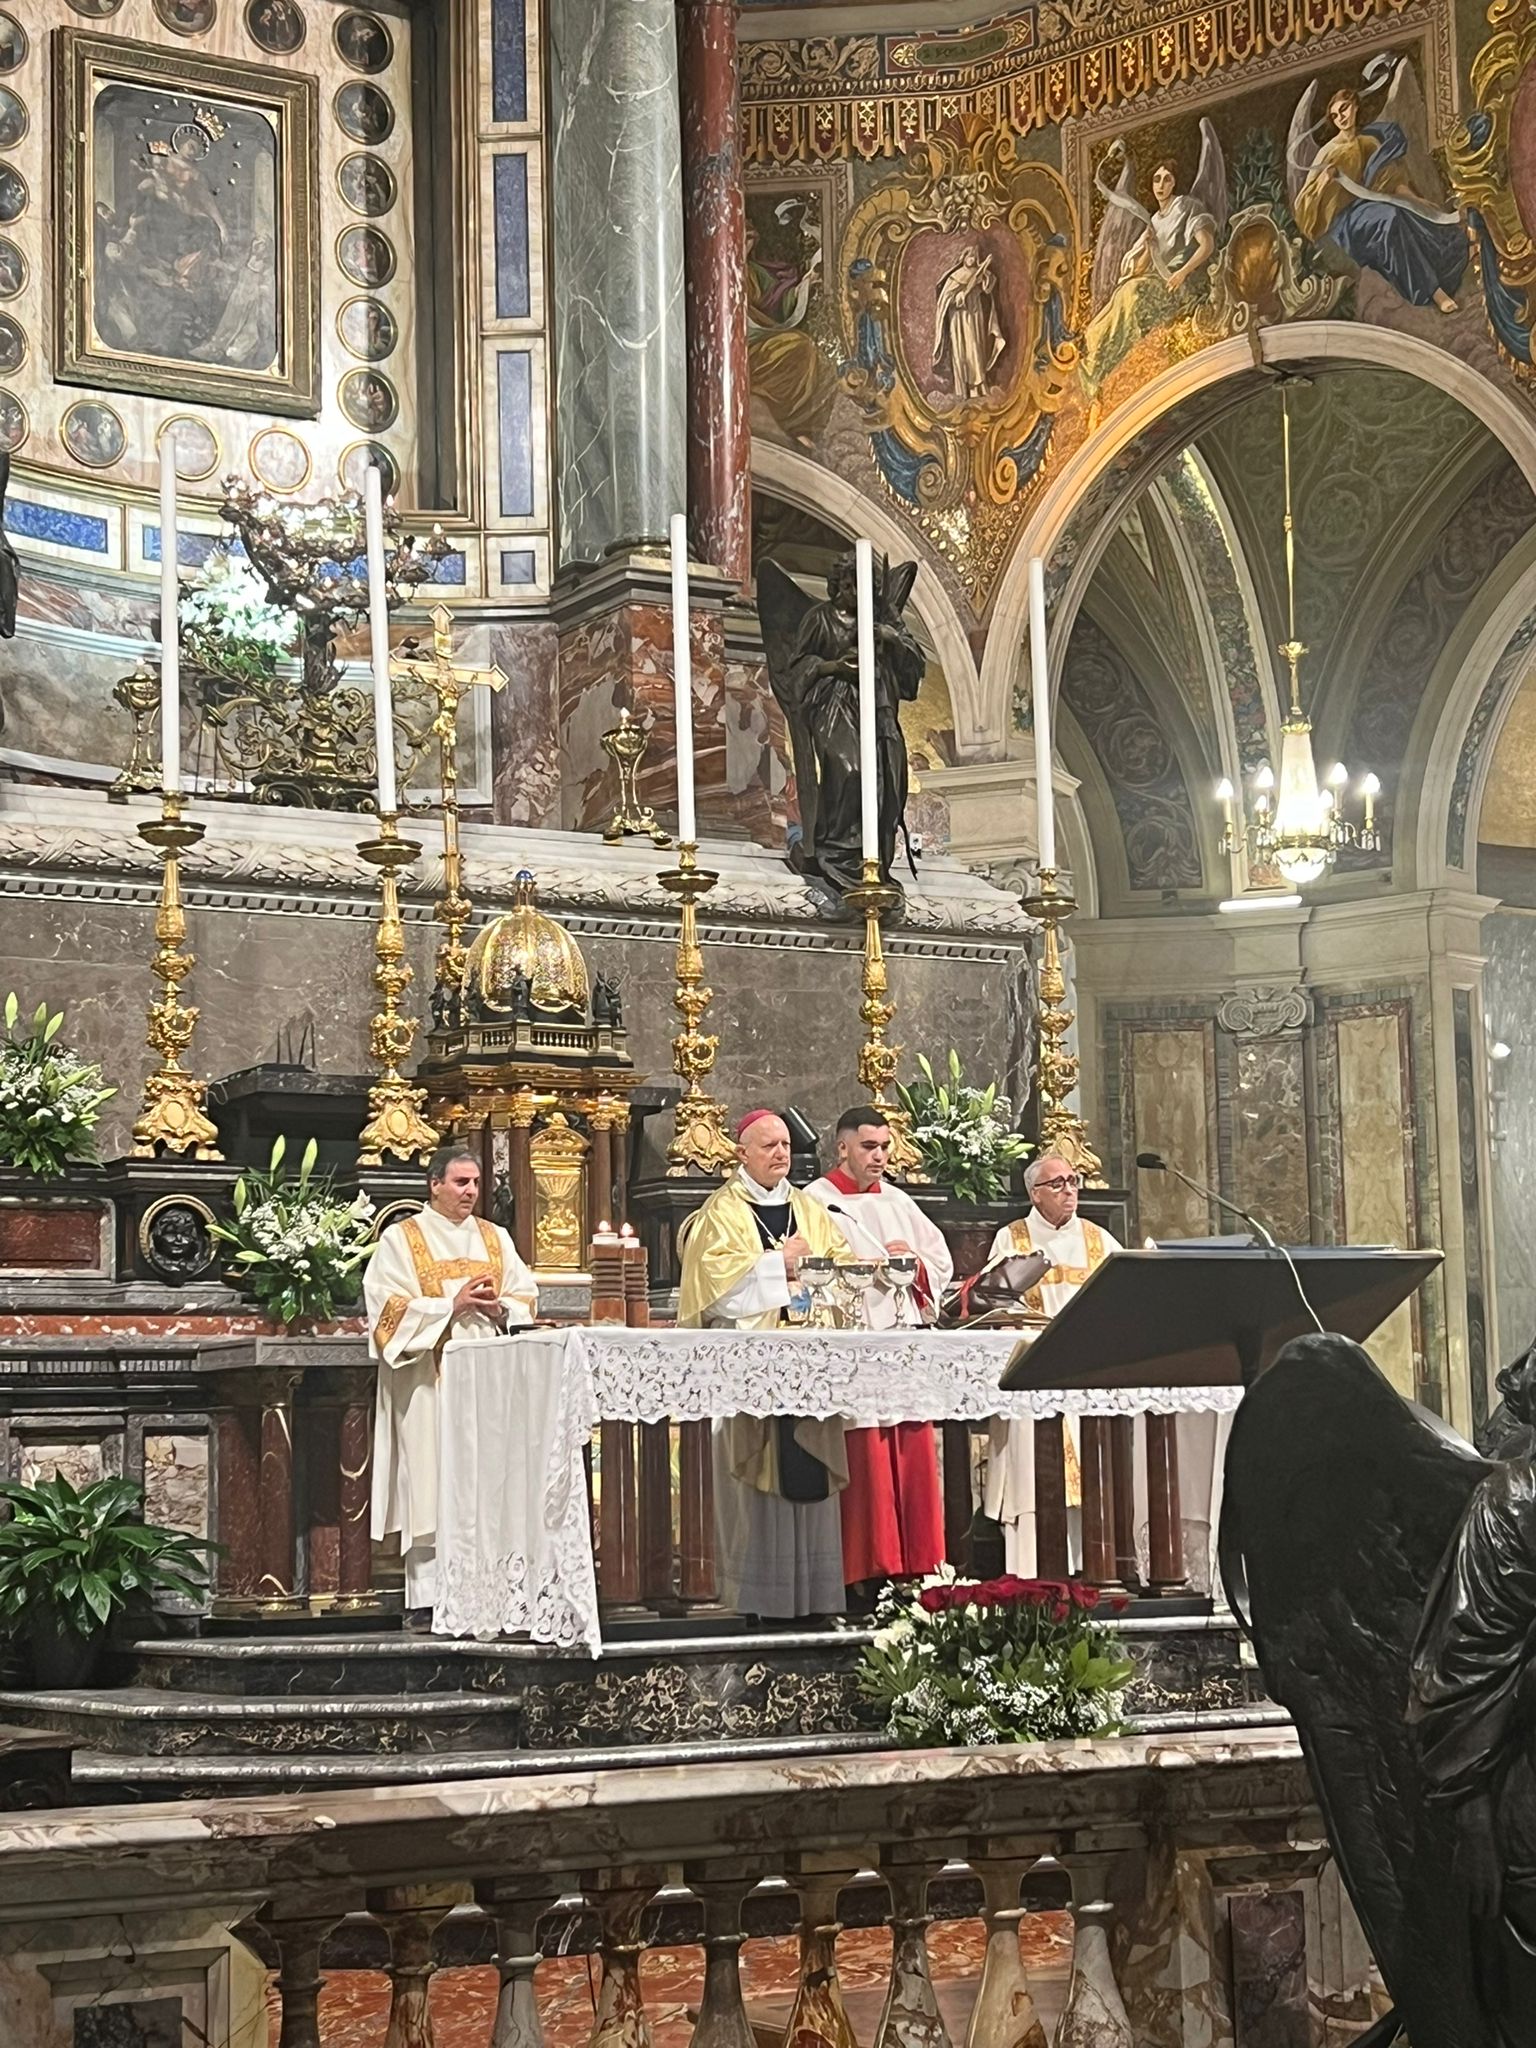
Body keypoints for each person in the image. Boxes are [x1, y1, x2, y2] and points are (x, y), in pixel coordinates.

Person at [677, 1108, 850, 1619]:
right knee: (757, 1478)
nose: (781, 1153)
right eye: (770, 1145)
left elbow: (841, 1268)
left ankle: (818, 1597)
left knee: (810, 1467)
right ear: (742, 1153)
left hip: (809, 1359)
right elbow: (717, 1292)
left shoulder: (813, 1210)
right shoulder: (722, 1212)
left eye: (786, 1145)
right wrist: (781, 1264)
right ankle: (757, 1598)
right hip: (749, 1365)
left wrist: (808, 1274)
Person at [364, 1143, 538, 1615]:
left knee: (489, 1486)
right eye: (461, 1182)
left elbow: (526, 1295)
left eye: (476, 1183)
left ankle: (493, 1597)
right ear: (434, 1184)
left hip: (488, 1388)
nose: (470, 1191)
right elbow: (385, 1312)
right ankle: (429, 1599)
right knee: (432, 1483)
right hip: (428, 1386)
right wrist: (452, 1306)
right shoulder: (402, 1239)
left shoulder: (495, 1237)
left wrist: (503, 1306)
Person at [804, 1107, 953, 1593]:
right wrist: (862, 1265)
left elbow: (940, 1262)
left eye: (886, 1147)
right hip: (854, 1344)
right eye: (869, 1147)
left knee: (911, 1446)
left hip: (902, 1339)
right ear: (842, 1147)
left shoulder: (899, 1200)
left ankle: (921, 1565)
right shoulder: (816, 1201)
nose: (880, 1156)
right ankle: (869, 1569)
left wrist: (910, 1264)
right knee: (866, 1451)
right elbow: (808, 1268)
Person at [982, 1152, 1121, 1574]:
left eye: (1073, 1181)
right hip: (1036, 1371)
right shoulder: (1014, 1239)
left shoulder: (1100, 1240)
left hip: (1089, 1373)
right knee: (1037, 1473)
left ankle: (1097, 1564)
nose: (1069, 1191)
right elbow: (995, 1301)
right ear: (1034, 1193)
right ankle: (1032, 1568)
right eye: (1057, 1184)